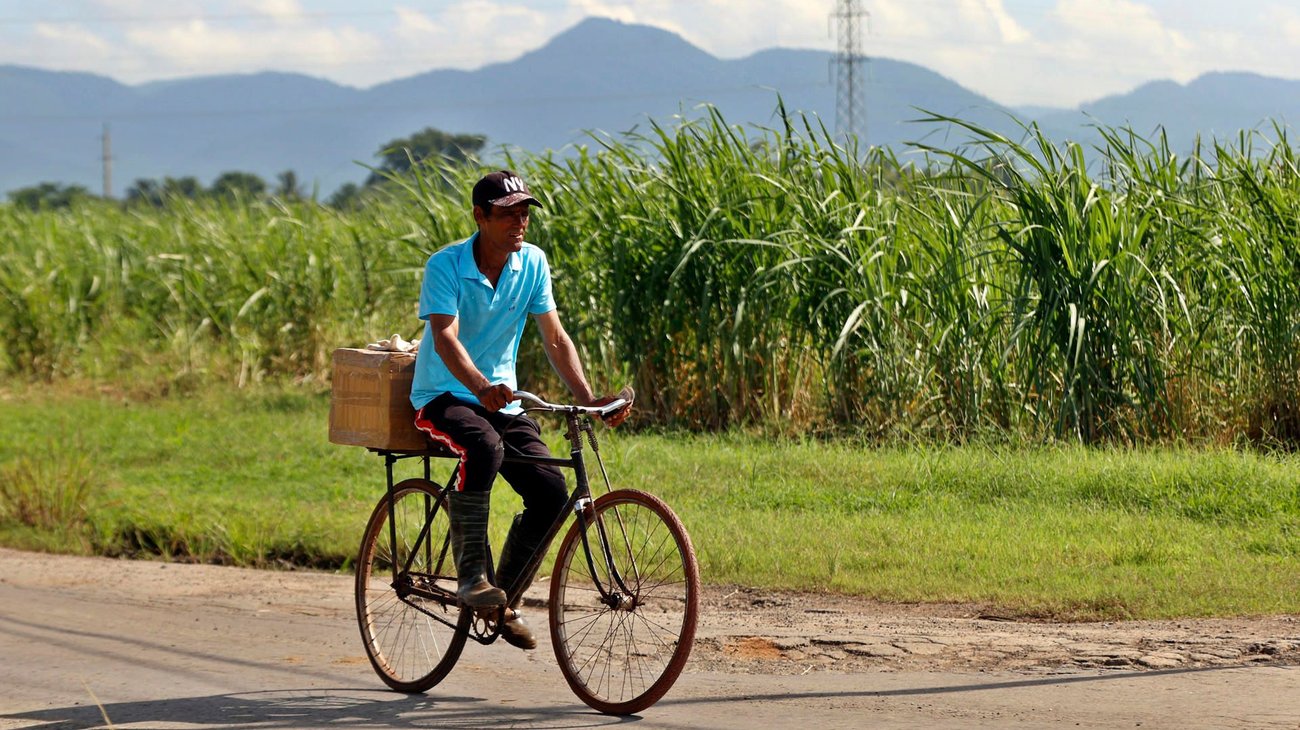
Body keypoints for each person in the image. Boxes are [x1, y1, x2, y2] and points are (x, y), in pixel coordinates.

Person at [409, 169, 630, 650]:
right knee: (483, 447)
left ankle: (500, 599)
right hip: (444, 396)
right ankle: (472, 578)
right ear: (480, 216)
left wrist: (589, 397)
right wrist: (480, 385)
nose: (520, 221)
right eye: (508, 213)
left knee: (552, 492)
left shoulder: (531, 263)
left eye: (525, 212)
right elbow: (444, 337)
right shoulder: (445, 265)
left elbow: (554, 337)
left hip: (501, 401)